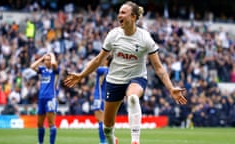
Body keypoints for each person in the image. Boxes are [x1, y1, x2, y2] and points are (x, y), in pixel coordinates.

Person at [64, 1, 187, 144]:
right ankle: (113, 141)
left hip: (137, 78)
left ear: (133, 17)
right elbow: (98, 60)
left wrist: (171, 88)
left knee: (133, 97)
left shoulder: (145, 38)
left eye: (123, 13)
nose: (119, 15)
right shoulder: (113, 35)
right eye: (119, 12)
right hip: (114, 80)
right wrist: (81, 75)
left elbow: (158, 67)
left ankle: (135, 140)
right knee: (107, 128)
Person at [30, 53, 59, 144]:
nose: (47, 61)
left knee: (51, 123)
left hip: (50, 98)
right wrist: (41, 58)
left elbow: (54, 64)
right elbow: (32, 66)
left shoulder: (55, 70)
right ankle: (40, 142)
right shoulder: (42, 70)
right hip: (41, 98)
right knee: (39, 123)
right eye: (46, 60)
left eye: (48, 60)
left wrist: (52, 55)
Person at [92, 55, 112, 144]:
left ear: (107, 61)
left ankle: (103, 141)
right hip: (105, 97)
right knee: (103, 121)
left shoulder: (102, 70)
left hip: (99, 97)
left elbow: (92, 65)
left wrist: (99, 57)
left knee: (101, 121)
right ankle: (106, 140)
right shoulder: (111, 71)